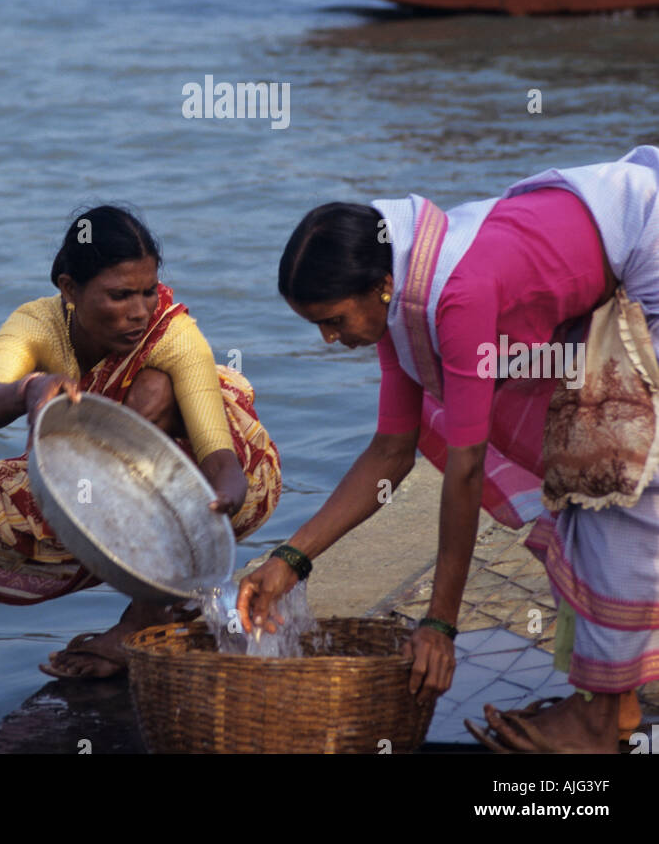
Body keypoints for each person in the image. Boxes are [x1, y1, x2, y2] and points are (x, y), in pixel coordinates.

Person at [237, 146, 659, 755]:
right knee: (576, 465)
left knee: (612, 480)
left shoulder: (455, 297)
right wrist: (288, 561)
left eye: (332, 320)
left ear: (381, 286)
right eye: (318, 328)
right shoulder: (399, 303)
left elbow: (463, 469)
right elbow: (390, 452)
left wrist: (440, 626)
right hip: (608, 267)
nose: (330, 339)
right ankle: (609, 704)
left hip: (648, 251)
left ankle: (597, 723)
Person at [0, 206, 281, 678]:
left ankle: (147, 615)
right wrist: (28, 389)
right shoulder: (36, 324)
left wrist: (223, 497)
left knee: (155, 388)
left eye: (148, 291)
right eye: (119, 295)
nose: (139, 311)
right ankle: (166, 606)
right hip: (94, 494)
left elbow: (221, 455)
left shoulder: (173, 334)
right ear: (69, 289)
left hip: (198, 480)